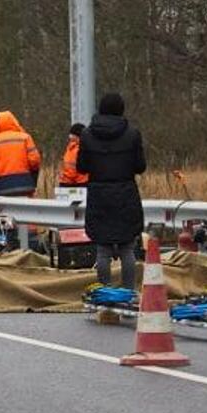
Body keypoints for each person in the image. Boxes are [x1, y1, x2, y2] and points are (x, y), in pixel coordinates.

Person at [78, 93, 146, 291]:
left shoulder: (87, 135)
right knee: (127, 247)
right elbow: (140, 166)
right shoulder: (132, 134)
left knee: (103, 248)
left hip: (99, 193)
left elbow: (81, 167)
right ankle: (129, 293)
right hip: (125, 192)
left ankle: (105, 293)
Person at [0, 110, 42, 198]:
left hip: (2, 187)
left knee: (6, 210)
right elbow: (35, 161)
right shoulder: (25, 137)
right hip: (25, 185)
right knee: (24, 210)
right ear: (14, 121)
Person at [57, 122, 89, 194]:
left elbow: (71, 170)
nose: (70, 136)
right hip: (79, 183)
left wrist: (64, 178)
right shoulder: (72, 147)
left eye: (72, 134)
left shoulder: (74, 149)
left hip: (72, 184)